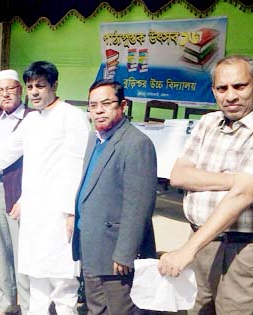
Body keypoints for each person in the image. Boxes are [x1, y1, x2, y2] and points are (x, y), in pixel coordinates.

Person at [0, 61, 90, 315]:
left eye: (40, 86)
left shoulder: (73, 117)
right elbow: (3, 154)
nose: (34, 92)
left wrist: (71, 212)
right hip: (34, 211)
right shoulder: (32, 121)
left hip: (59, 214)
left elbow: (76, 168)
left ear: (54, 86)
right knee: (36, 278)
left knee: (62, 283)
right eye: (30, 86)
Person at [158, 55, 253, 315]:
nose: (230, 96)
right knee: (196, 309)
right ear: (214, 91)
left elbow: (241, 195)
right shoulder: (208, 123)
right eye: (222, 88)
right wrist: (239, 180)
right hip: (202, 242)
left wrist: (187, 250)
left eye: (239, 86)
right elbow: (179, 176)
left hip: (245, 251)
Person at [73, 80, 157, 315]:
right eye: (93, 105)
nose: (99, 110)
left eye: (106, 103)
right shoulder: (94, 139)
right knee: (96, 308)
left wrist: (125, 253)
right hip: (91, 246)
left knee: (120, 309)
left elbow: (138, 205)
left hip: (115, 255)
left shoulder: (136, 144)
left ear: (123, 105)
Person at [0, 69, 33, 315]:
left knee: (23, 251)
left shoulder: (33, 119)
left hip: (20, 192)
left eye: (10, 89)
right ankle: (6, 305)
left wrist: (26, 197)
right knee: (0, 249)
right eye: (0, 90)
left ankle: (30, 306)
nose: (5, 94)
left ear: (20, 90)